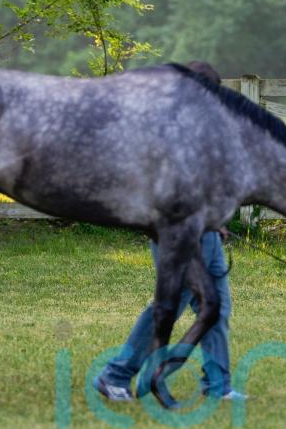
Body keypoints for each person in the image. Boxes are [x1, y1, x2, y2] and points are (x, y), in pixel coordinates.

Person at [93, 61, 248, 403]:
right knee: (171, 304)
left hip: (205, 233)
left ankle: (218, 385)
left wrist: (215, 219)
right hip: (178, 236)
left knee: (217, 308)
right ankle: (115, 375)